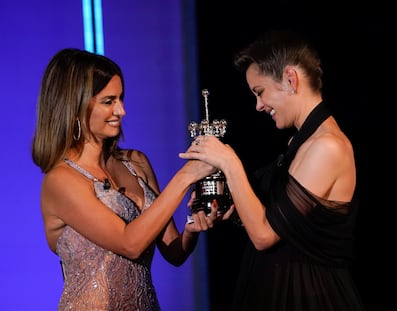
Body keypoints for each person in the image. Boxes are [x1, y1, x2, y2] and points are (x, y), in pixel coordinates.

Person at [31, 48, 232, 310]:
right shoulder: (61, 181)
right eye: (108, 101)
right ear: (76, 106)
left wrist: (192, 227)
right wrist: (186, 176)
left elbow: (174, 252)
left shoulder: (135, 162)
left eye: (121, 98)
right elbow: (130, 243)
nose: (122, 110)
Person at [179, 30, 366, 310]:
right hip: (280, 286)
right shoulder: (302, 142)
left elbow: (265, 235)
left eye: (260, 92)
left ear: (290, 80)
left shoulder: (328, 146)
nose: (258, 105)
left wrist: (229, 162)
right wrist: (228, 207)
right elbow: (283, 222)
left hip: (308, 297)